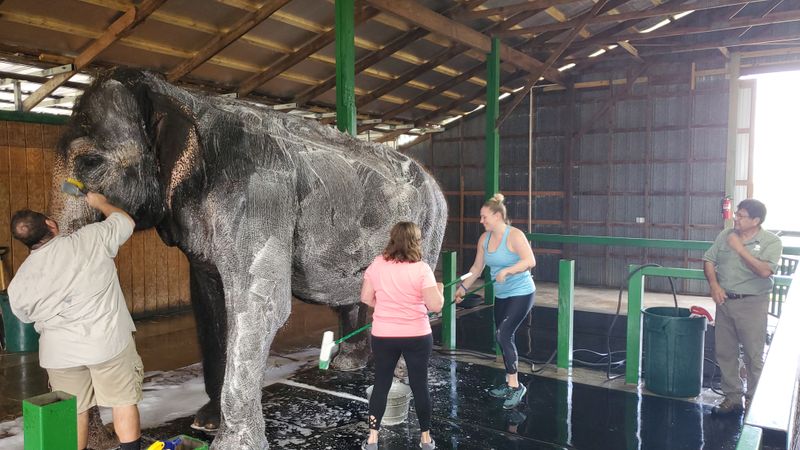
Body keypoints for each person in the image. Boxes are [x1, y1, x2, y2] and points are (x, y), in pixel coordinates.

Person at [7, 193, 143, 450]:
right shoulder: (90, 238)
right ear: (51, 224)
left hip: (60, 355)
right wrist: (100, 203)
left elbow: (24, 316)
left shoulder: (19, 283)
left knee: (76, 411)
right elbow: (126, 222)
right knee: (122, 401)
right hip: (108, 344)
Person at [360, 222, 444, 450]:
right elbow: (435, 305)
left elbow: (366, 298)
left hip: (384, 335)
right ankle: (426, 439)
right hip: (417, 335)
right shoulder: (422, 269)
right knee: (419, 384)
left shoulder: (377, 265)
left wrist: (386, 305)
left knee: (381, 384)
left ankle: (372, 439)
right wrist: (441, 290)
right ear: (416, 241)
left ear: (392, 239)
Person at [456, 193, 535, 410]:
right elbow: (476, 269)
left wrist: (508, 270)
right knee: (501, 335)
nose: (481, 221)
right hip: (502, 294)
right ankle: (510, 383)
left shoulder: (515, 235)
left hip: (521, 292)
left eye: (484, 217)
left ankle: (516, 385)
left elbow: (530, 261)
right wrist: (461, 288)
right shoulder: (485, 239)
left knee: (503, 334)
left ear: (497, 215)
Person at [703, 199, 782, 414]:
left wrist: (740, 250)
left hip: (753, 304)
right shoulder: (725, 234)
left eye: (741, 215)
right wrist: (714, 285)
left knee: (753, 355)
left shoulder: (771, 242)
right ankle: (733, 398)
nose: (736, 218)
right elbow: (709, 259)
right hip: (725, 301)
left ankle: (754, 402)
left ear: (756, 220)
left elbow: (765, 271)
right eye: (736, 214)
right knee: (725, 352)